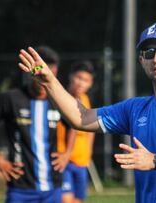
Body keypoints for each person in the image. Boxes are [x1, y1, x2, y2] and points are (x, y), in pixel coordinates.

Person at [18, 22, 156, 203]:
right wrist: (49, 82)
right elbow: (81, 118)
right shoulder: (136, 108)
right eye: (148, 52)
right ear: (141, 61)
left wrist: (155, 161)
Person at [0, 46, 65, 203]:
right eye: (41, 71)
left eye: (50, 72)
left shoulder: (60, 100)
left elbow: (74, 124)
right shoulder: (11, 99)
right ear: (32, 71)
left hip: (53, 186)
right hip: (20, 187)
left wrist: (67, 153)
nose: (44, 77)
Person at [55, 61, 95, 203]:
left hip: (81, 161)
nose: (81, 83)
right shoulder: (60, 98)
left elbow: (91, 130)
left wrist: (88, 154)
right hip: (63, 160)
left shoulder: (85, 100)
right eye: (79, 78)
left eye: (86, 80)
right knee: (66, 200)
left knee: (77, 200)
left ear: (90, 83)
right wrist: (64, 154)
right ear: (71, 77)